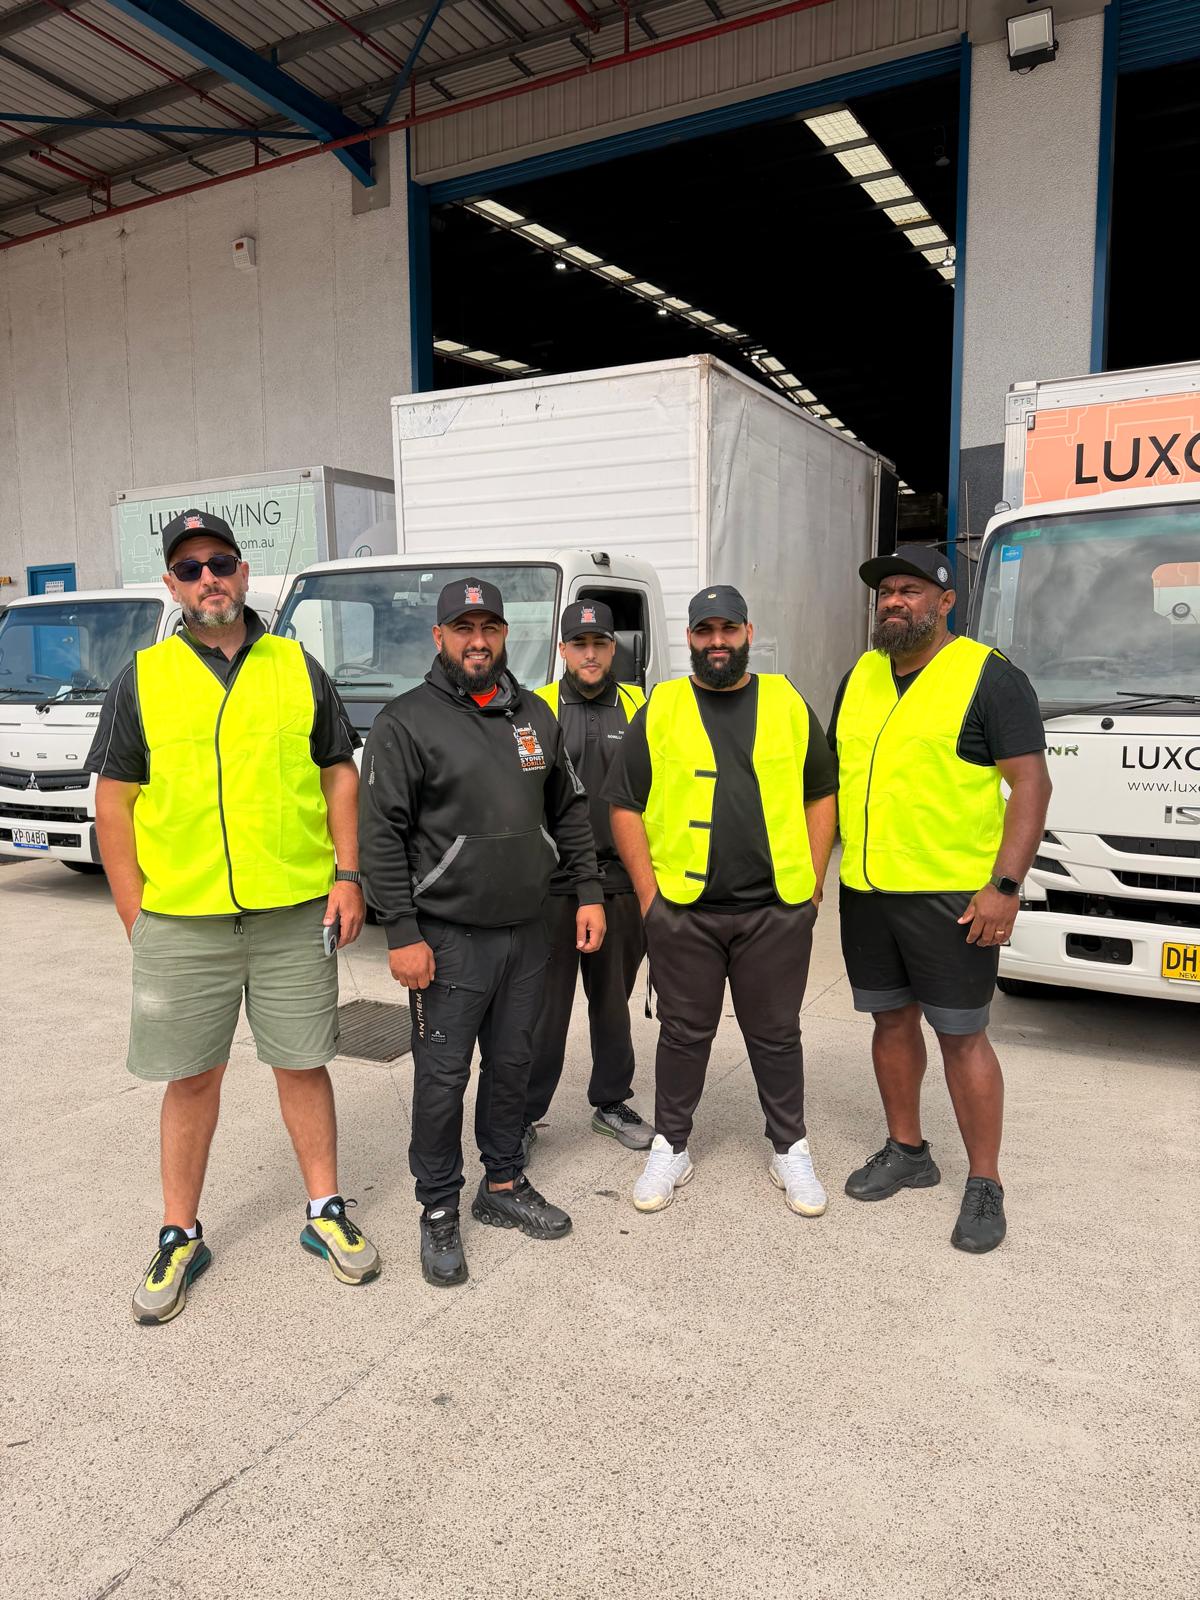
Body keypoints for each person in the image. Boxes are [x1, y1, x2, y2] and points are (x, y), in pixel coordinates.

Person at [88, 509, 380, 1327]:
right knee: (192, 1077)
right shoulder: (142, 677)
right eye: (190, 568)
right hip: (184, 921)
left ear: (245, 573)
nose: (208, 578)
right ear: (171, 587)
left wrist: (347, 875)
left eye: (220, 562)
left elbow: (338, 775)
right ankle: (180, 1231)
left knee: (303, 1061)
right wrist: (134, 913)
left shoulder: (296, 666)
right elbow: (114, 803)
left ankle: (324, 1212)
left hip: (291, 911)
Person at [358, 577, 605, 1288]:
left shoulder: (535, 715)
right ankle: (438, 1209)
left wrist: (587, 891)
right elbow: (382, 837)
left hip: (528, 929)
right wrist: (401, 931)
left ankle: (502, 1186)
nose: (477, 641)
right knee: (442, 1079)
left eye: (488, 627)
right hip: (446, 939)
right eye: (462, 628)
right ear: (438, 638)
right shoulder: (406, 722)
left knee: (513, 1066)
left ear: (504, 635)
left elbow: (569, 812)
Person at [828, 543, 1051, 1253]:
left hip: (952, 898)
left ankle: (985, 1181)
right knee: (890, 1024)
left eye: (911, 590)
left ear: (946, 601)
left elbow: (1032, 786)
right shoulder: (861, 675)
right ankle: (908, 1150)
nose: (894, 601)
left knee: (961, 1037)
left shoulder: (988, 676)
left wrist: (1005, 887)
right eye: (886, 591)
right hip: (867, 891)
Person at [605, 585, 838, 1216]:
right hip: (685, 911)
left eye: (727, 630)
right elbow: (623, 804)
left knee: (776, 1034)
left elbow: (822, 791)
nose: (716, 642)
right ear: (689, 638)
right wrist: (651, 898)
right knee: (683, 1033)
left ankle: (789, 1148)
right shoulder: (663, 706)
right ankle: (671, 1145)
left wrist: (813, 883)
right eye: (704, 631)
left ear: (747, 633)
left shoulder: (786, 701)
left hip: (776, 909)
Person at [524, 600, 652, 1154]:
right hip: (555, 888)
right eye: (580, 644)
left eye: (600, 644)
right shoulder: (537, 708)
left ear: (613, 648)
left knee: (610, 1003)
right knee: (543, 1012)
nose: (591, 654)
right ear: (563, 650)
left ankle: (611, 1101)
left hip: (621, 882)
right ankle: (524, 1114)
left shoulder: (641, 705)